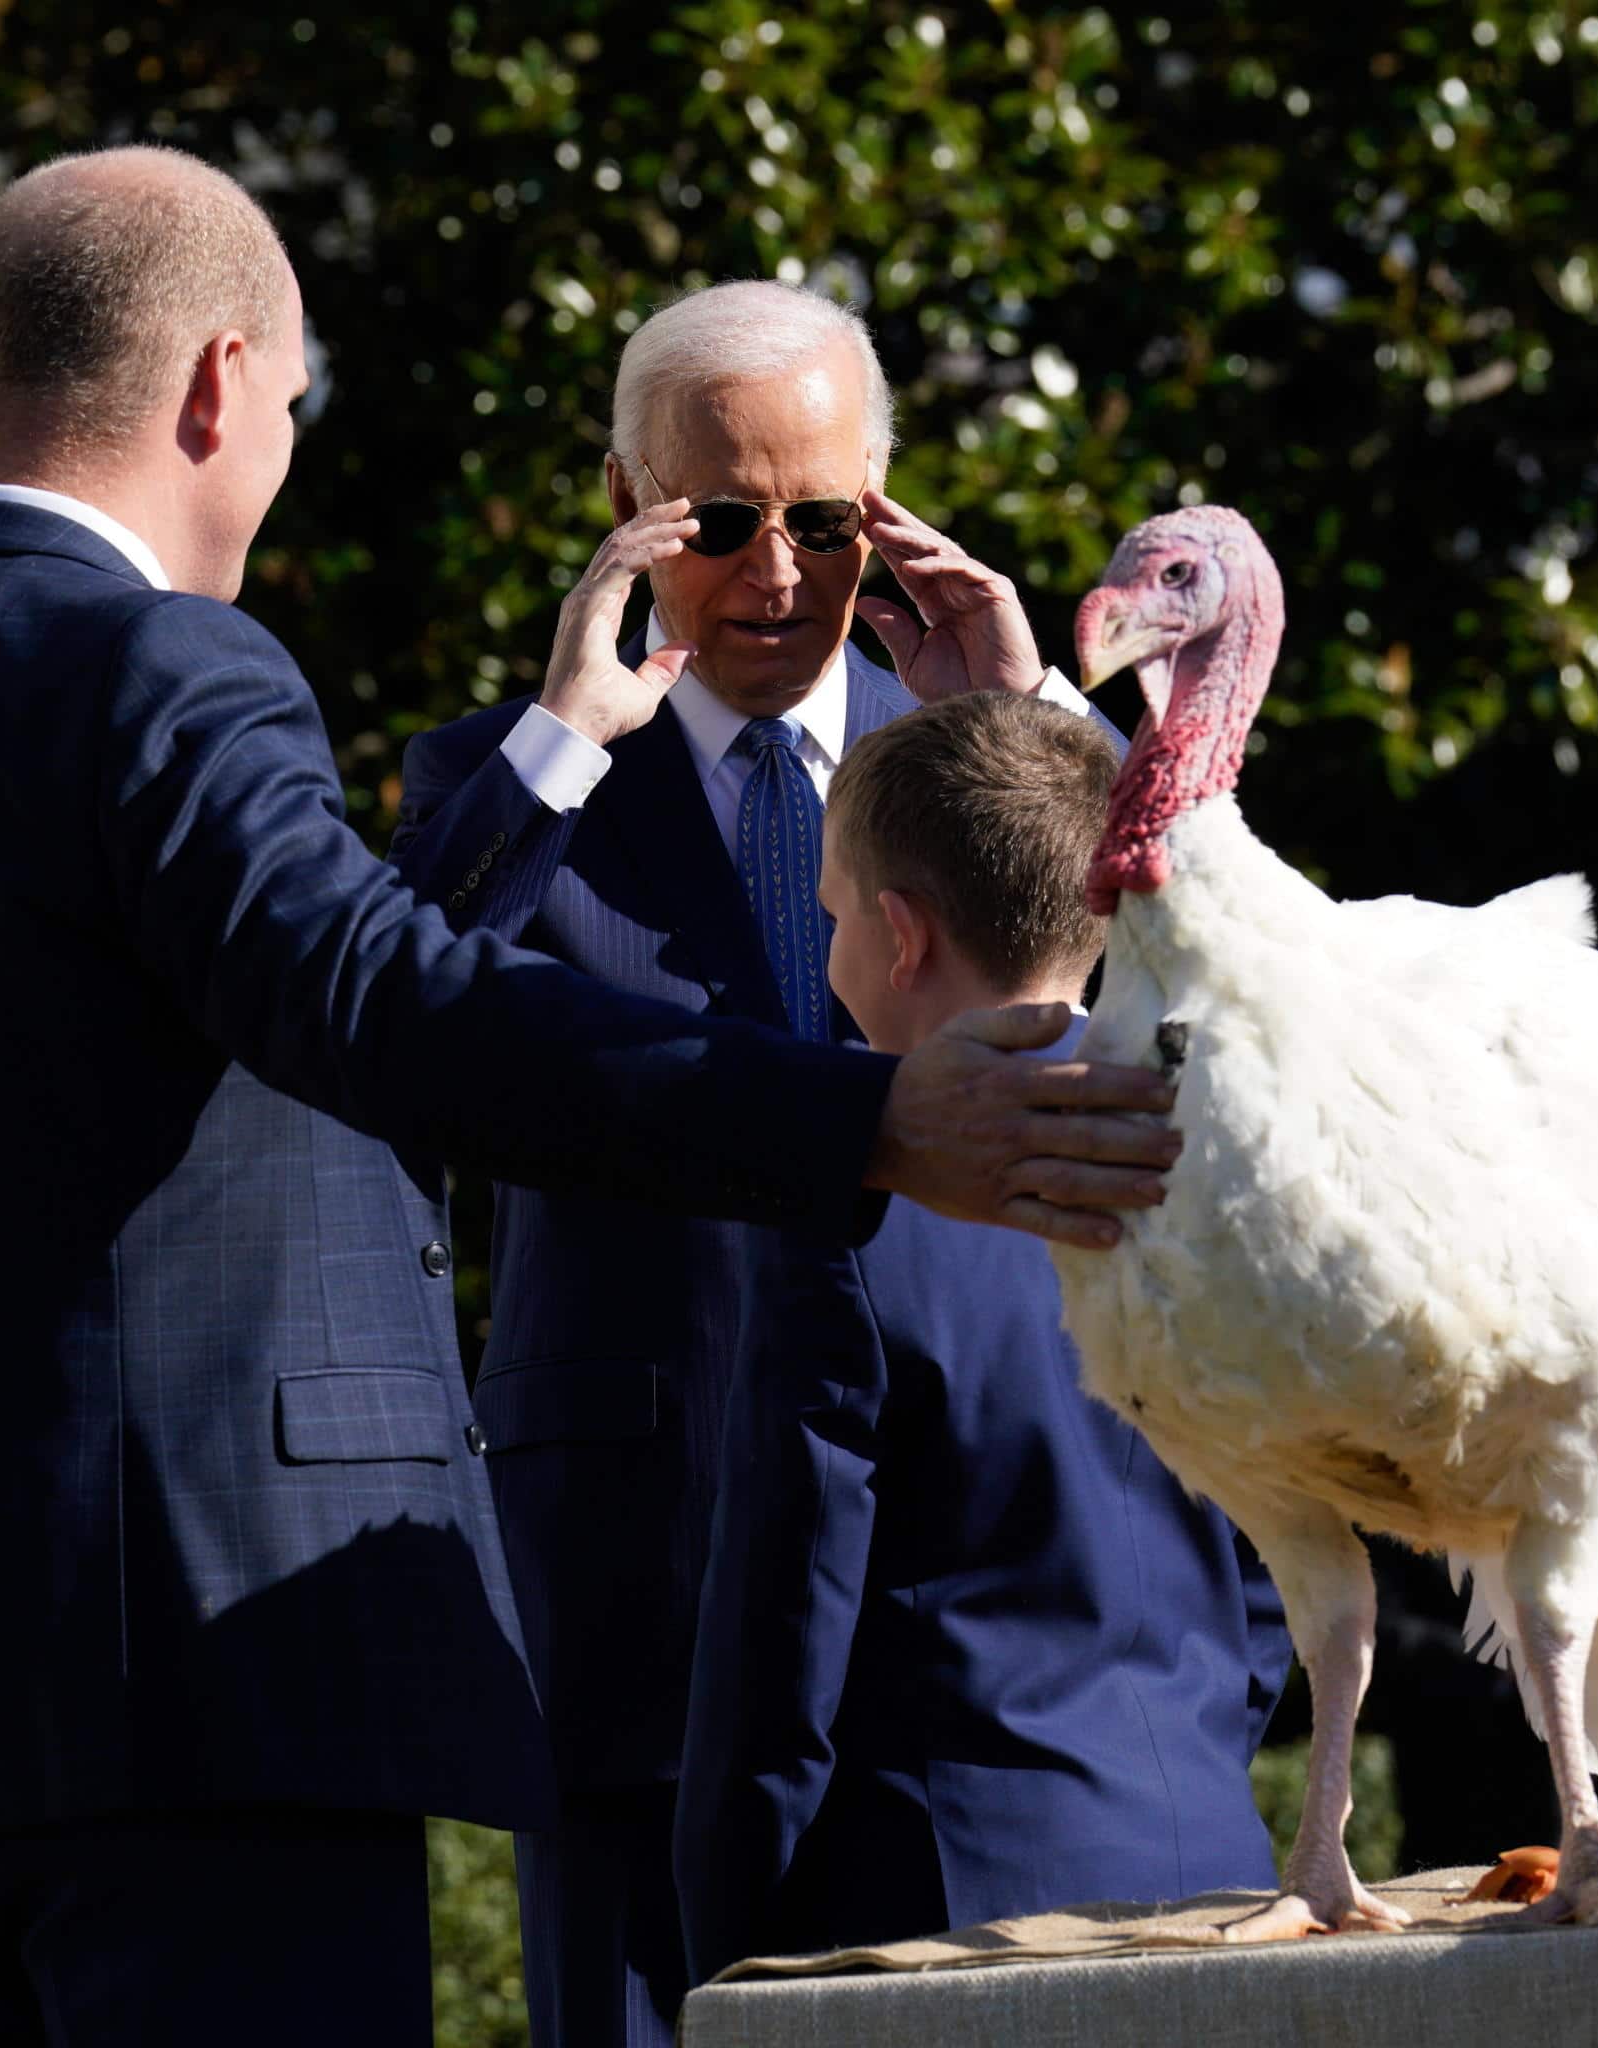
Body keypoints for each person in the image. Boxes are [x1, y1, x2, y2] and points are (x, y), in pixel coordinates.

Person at [0, 152, 1185, 2047]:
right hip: (205, 1692)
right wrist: (860, 1122)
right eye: (294, 402)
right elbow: (386, 997)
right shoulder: (154, 664)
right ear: (221, 381)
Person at [390, 280, 1116, 2048]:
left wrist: (1037, 723)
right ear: (628, 496)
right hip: (645, 1562)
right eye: (717, 523)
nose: (775, 573)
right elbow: (370, 1024)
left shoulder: (983, 753)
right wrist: (559, 744)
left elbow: (1218, 1036)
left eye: (822, 521)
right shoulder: (515, 781)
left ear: (886, 505)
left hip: (966, 1581)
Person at [676, 694, 1293, 1980]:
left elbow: (786, 1632)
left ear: (901, 934)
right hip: (1216, 1866)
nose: (832, 947)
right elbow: (1275, 1576)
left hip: (940, 1901)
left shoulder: (853, 1211)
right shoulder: (1224, 1177)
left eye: (838, 914)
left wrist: (730, 1932)